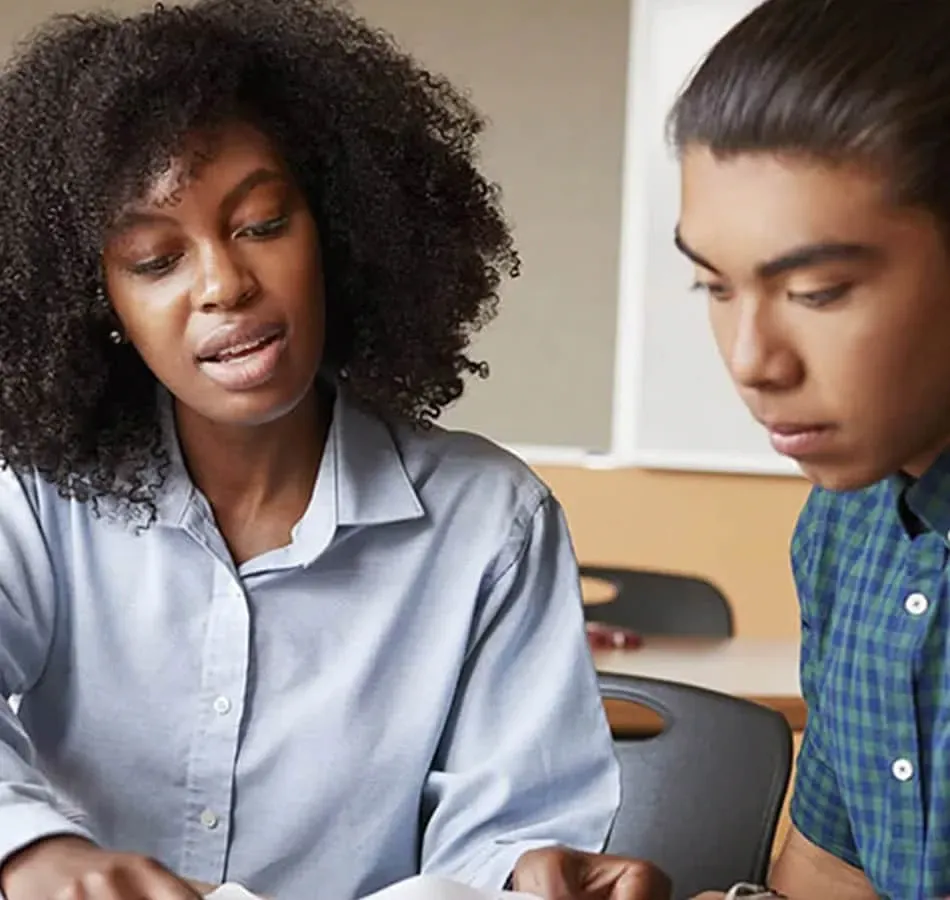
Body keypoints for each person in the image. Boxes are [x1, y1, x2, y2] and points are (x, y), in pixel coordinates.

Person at [0, 2, 672, 899]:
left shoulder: (489, 523)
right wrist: (35, 851)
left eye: (264, 224)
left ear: (342, 233)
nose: (225, 284)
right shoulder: (39, 498)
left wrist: (524, 873)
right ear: (97, 305)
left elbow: (508, 835)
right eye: (156, 260)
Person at [666, 0, 950, 897]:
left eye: (819, 292)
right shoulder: (842, 530)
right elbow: (832, 871)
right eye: (712, 286)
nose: (752, 360)